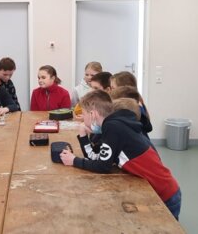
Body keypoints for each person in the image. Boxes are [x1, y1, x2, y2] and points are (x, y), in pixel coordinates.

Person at [60, 90, 181, 220]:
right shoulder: (114, 125)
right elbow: (96, 157)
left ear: (92, 114)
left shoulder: (113, 128)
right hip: (163, 189)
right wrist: (83, 136)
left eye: (83, 114)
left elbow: (102, 166)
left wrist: (74, 161)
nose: (82, 119)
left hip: (164, 193)